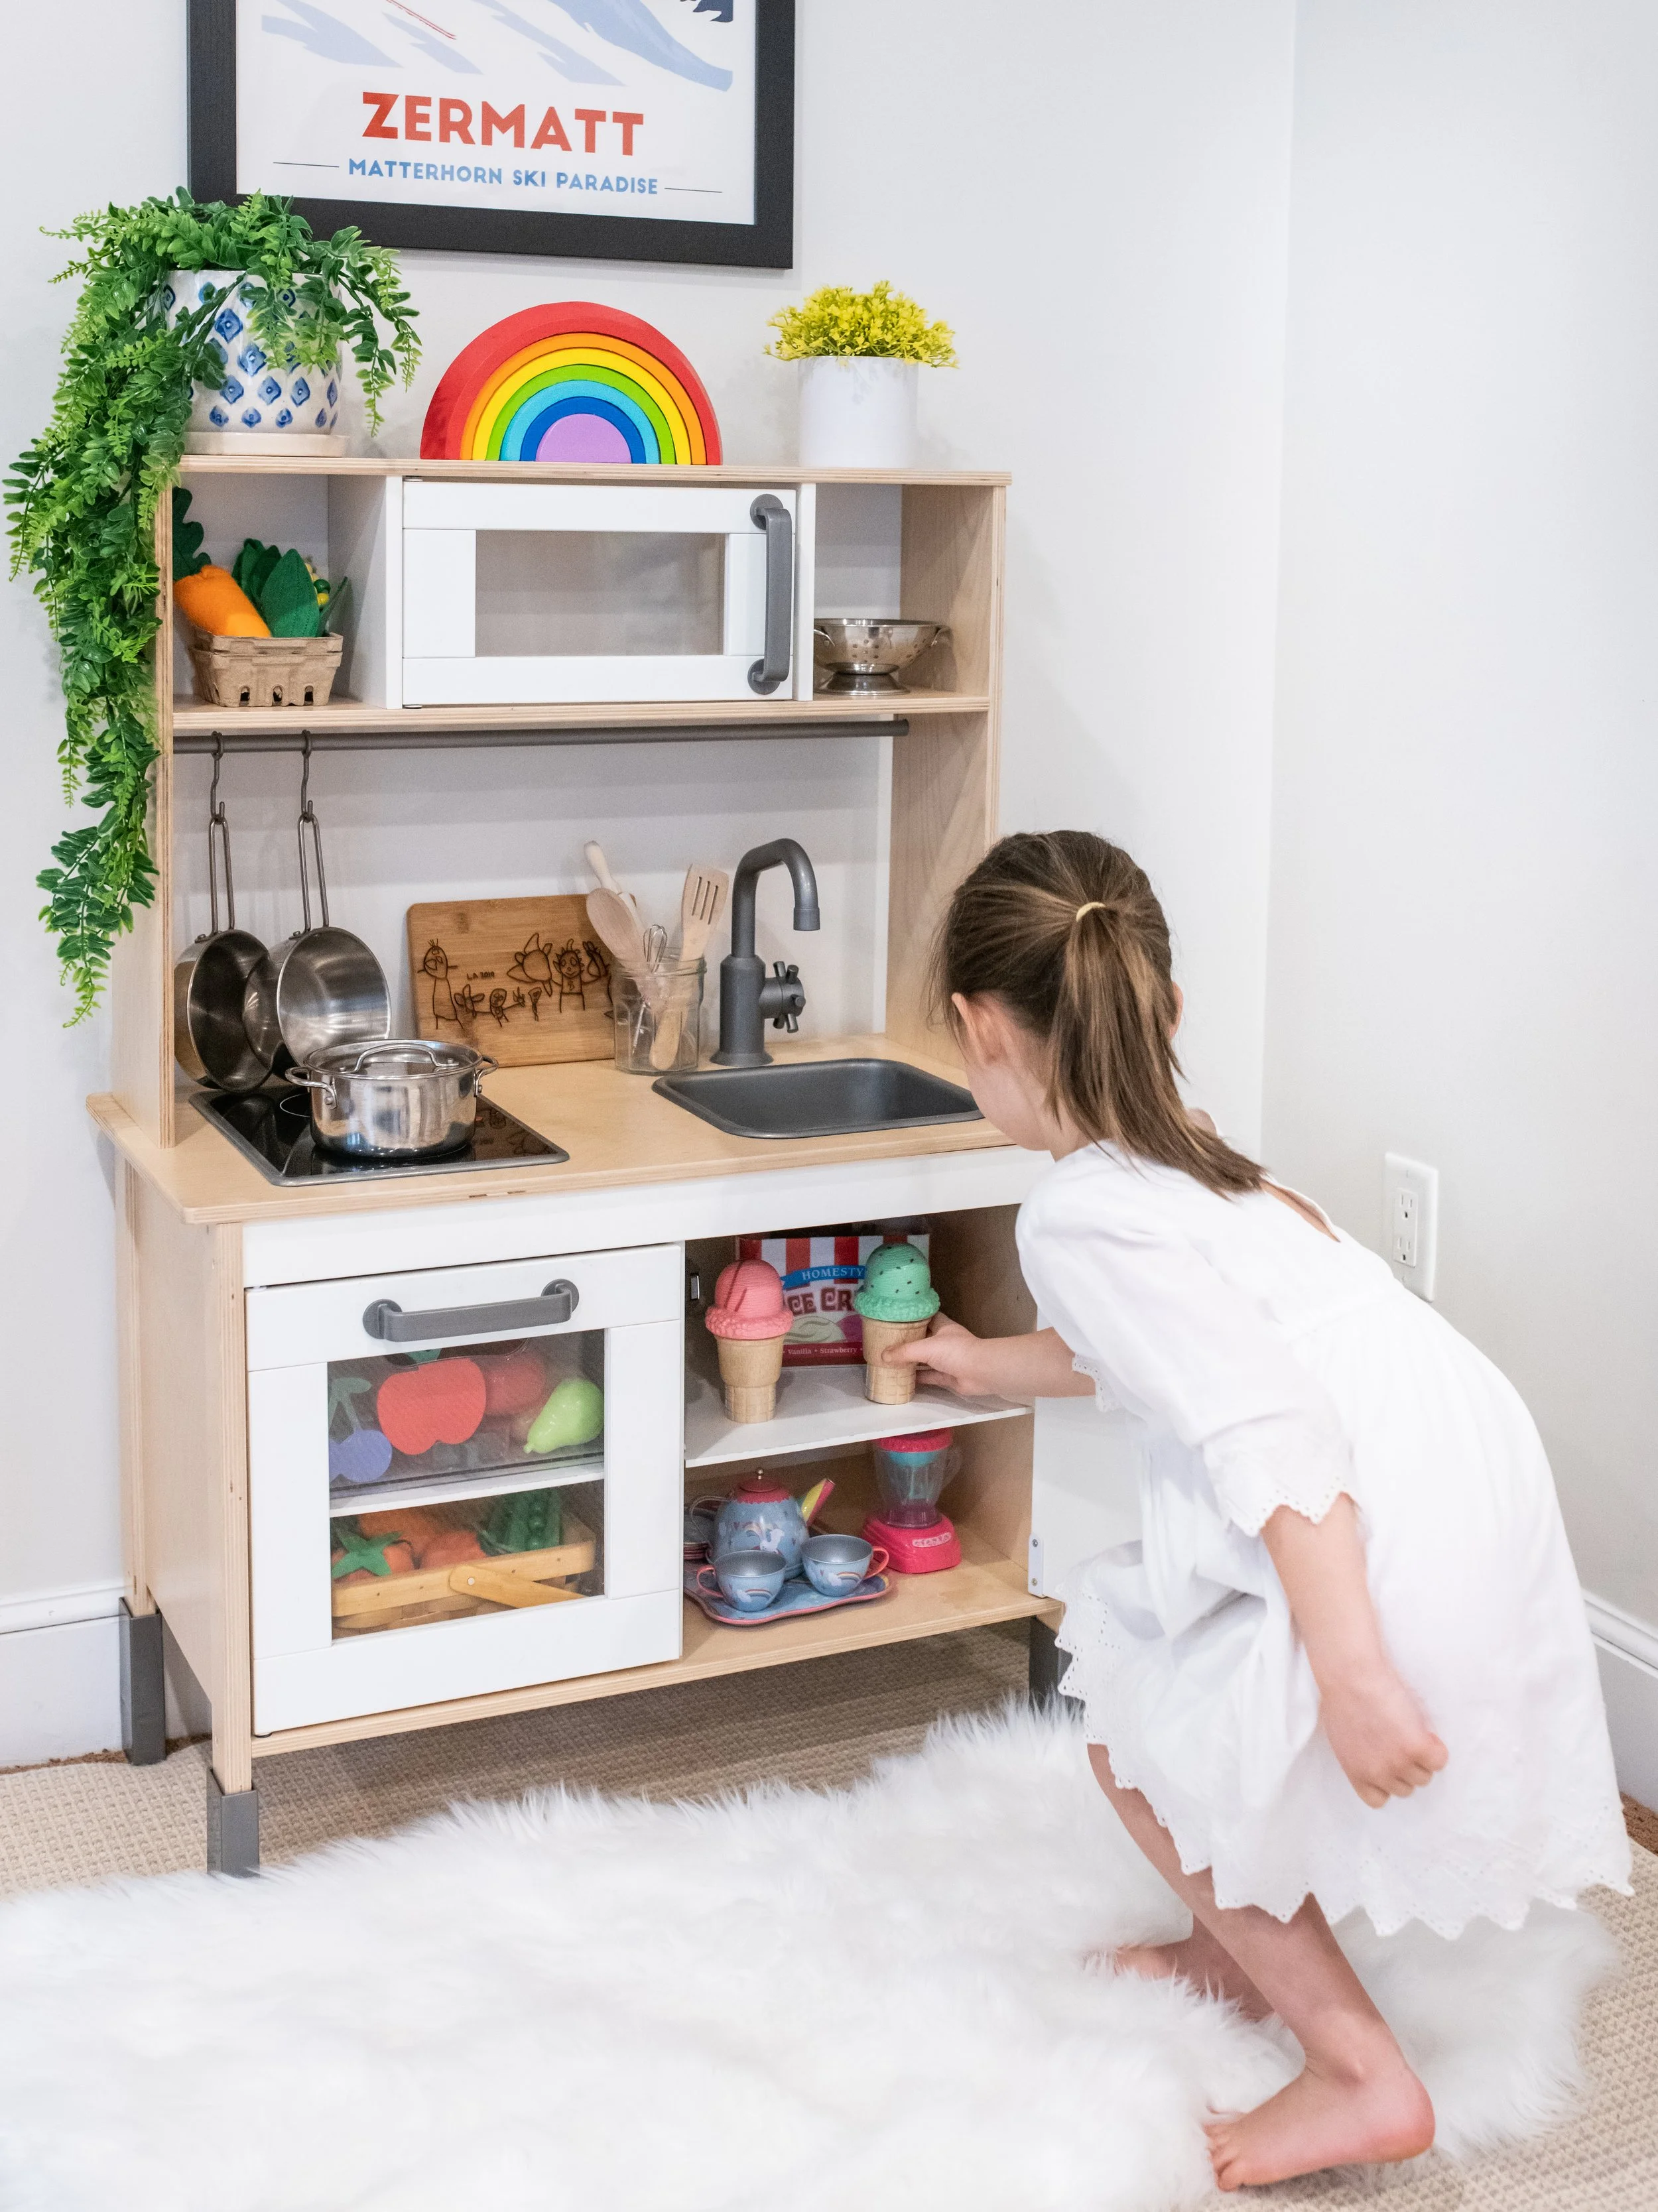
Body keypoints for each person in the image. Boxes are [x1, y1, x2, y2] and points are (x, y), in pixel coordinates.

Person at [884, 830, 1629, 2191]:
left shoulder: (1076, 1217)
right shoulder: (1189, 1151)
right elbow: (1151, 1354)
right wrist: (979, 1362)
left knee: (1131, 1721)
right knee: (1190, 1706)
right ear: (1162, 1009)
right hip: (1445, 1461)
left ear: (976, 1027)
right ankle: (1230, 1949)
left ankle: (1359, 2073)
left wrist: (1349, 1672)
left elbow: (1266, 1429)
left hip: (1357, 1502)